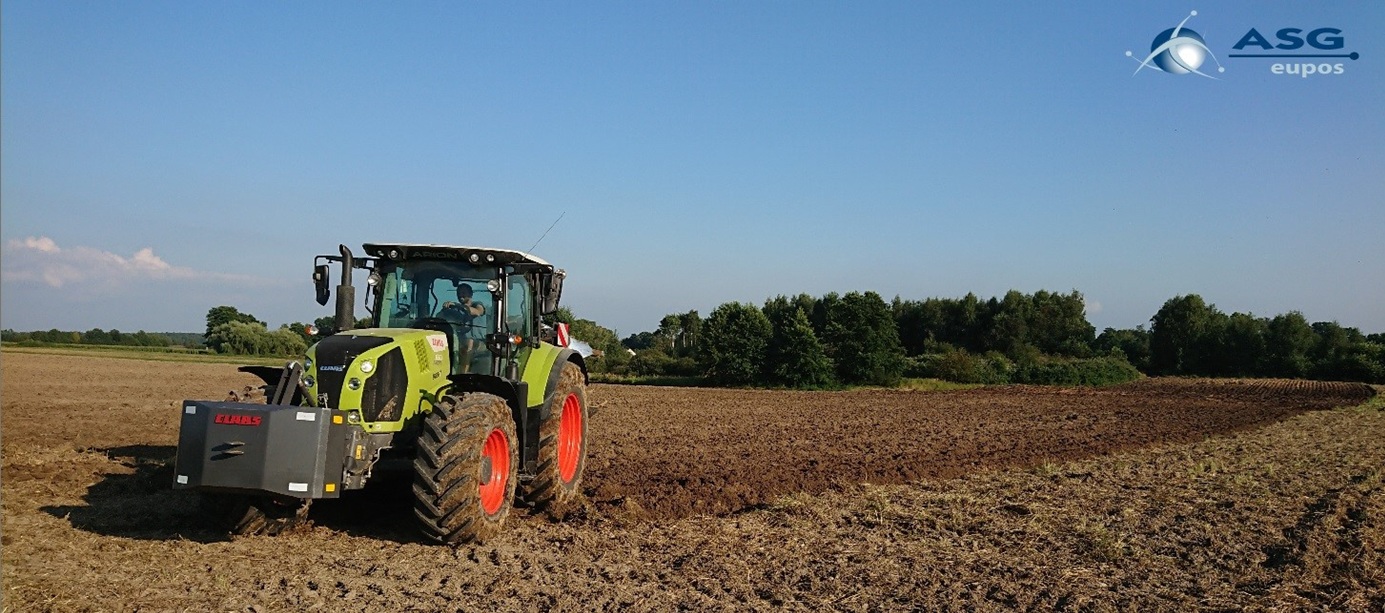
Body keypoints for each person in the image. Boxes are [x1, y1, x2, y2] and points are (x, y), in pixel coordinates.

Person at [440, 282, 486, 373]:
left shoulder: (477, 304)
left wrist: (461, 307)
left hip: (480, 343)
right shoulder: (456, 309)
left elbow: (478, 312)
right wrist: (446, 309)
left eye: (464, 292)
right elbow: (440, 316)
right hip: (460, 341)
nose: (461, 295)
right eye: (459, 293)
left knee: (469, 342)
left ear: (471, 294)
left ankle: (462, 374)